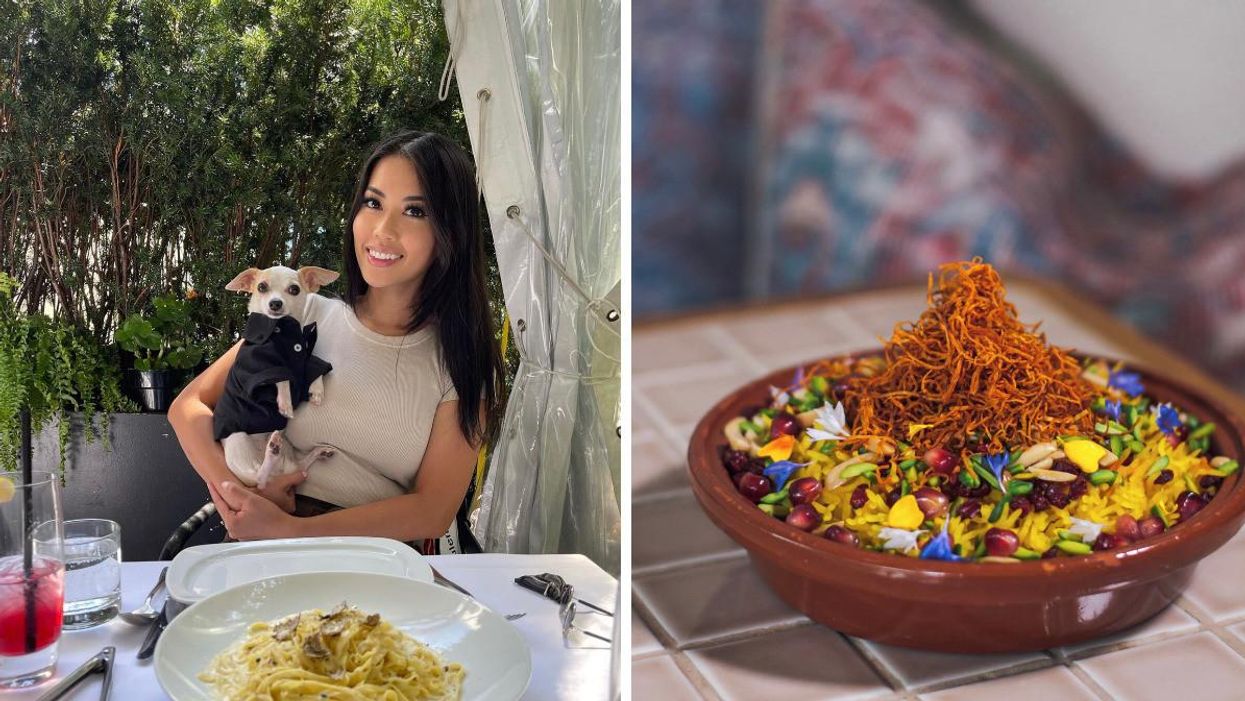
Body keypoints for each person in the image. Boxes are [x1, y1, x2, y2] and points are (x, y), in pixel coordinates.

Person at [169, 131, 505, 548]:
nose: (383, 230)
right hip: (263, 547)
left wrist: (292, 529)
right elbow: (189, 408)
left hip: (375, 562)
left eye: (415, 211)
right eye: (373, 202)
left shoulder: (459, 361)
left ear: (450, 231)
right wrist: (241, 497)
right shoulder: (306, 310)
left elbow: (432, 511)